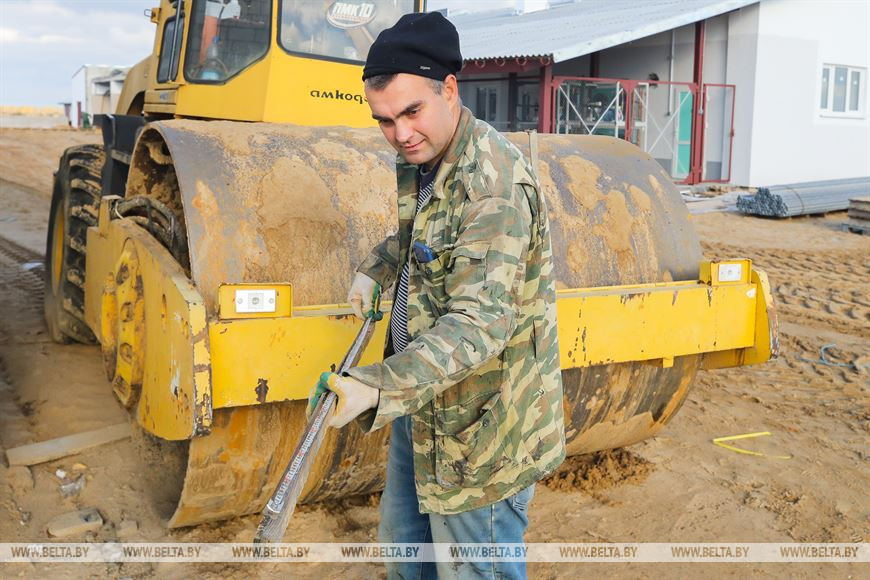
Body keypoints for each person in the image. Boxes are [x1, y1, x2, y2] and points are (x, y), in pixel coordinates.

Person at [307, 12, 565, 579]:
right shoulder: (430, 157)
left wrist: (372, 386)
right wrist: (379, 267)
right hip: (423, 404)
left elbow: (479, 325)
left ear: (449, 89)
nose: (400, 134)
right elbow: (426, 234)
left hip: (481, 429)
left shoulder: (491, 184)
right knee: (407, 554)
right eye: (384, 121)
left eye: (411, 112)